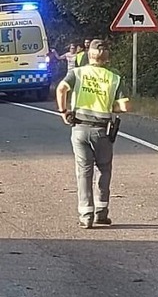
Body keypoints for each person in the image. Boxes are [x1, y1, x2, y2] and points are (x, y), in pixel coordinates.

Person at [55, 39, 131, 229]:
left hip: (80, 128)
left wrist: (64, 111)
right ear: (107, 58)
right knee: (104, 170)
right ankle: (101, 212)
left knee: (84, 172)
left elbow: (61, 88)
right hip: (102, 131)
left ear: (89, 55)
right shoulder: (114, 77)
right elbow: (125, 106)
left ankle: (86, 214)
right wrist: (110, 106)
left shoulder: (78, 73)